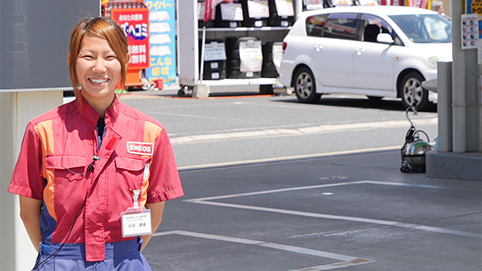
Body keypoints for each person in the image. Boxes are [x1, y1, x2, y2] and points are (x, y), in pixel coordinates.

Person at [8, 16, 184, 270]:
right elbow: (28, 212)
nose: (99, 67)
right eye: (88, 57)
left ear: (125, 62)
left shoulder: (151, 132)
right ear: (72, 61)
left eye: (110, 57)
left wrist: (122, 256)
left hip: (125, 260)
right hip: (61, 259)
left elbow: (155, 211)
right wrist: (57, 257)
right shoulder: (42, 130)